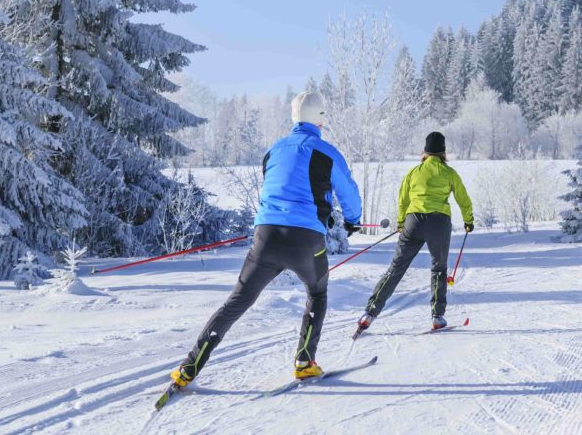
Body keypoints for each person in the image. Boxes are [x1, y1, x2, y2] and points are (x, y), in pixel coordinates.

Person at [170, 90, 362, 386]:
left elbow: (280, 185)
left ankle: (189, 366)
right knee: (318, 292)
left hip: (266, 237)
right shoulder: (326, 152)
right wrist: (352, 221)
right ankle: (304, 361)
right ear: (321, 120)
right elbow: (348, 193)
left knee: (237, 301)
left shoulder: (273, 150)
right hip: (306, 240)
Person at [357, 131, 473, 332]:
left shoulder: (414, 172)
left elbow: (403, 198)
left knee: (396, 268)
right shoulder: (450, 173)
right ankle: (437, 316)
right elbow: (463, 198)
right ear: (443, 152)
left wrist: (402, 222)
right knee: (439, 268)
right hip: (439, 222)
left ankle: (369, 313)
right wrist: (468, 220)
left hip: (414, 221)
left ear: (425, 152)